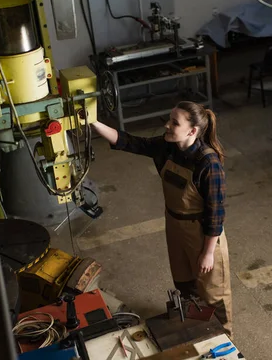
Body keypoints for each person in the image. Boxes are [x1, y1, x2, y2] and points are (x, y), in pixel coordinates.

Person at [90, 101, 232, 337]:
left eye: (174, 122)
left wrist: (207, 252)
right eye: (169, 119)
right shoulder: (167, 147)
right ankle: (197, 330)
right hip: (175, 226)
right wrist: (92, 122)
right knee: (185, 284)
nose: (167, 125)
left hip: (203, 233)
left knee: (213, 292)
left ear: (192, 131)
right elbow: (128, 141)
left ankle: (225, 340)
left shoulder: (208, 163)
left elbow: (216, 214)